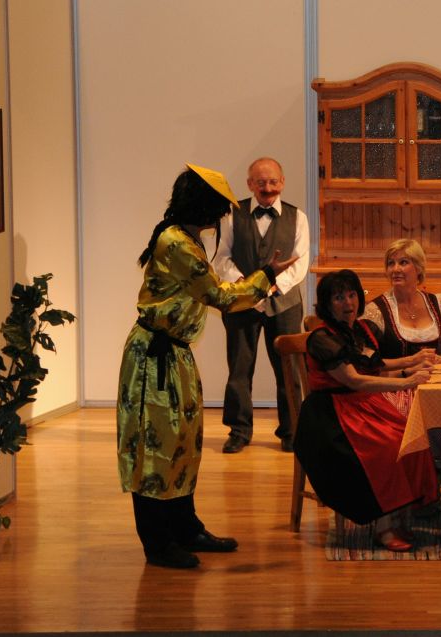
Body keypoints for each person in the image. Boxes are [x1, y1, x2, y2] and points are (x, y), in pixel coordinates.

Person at [116, 163, 299, 569]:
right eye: (217, 208)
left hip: (173, 354)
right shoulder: (176, 244)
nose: (221, 216)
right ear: (201, 206)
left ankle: (185, 528)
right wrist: (265, 275)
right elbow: (219, 296)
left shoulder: (185, 237)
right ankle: (158, 543)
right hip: (154, 359)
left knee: (182, 442)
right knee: (155, 448)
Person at [293, 270, 440, 552]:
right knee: (387, 445)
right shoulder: (322, 338)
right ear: (327, 303)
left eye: (351, 295)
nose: (348, 303)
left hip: (361, 405)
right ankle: (384, 528)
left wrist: (413, 360)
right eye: (339, 298)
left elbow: (376, 364)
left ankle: (398, 515)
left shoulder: (359, 329)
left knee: (409, 434)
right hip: (331, 416)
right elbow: (354, 379)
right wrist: (407, 381)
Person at [212, 157, 311, 454]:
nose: (267, 188)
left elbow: (300, 262)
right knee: (239, 369)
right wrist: (245, 286)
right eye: (261, 182)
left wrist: (270, 287)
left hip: (285, 303)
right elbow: (221, 258)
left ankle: (292, 431)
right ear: (249, 184)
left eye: (273, 182)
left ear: (282, 182)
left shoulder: (298, 217)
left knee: (289, 370)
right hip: (242, 303)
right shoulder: (232, 214)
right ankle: (239, 431)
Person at [358, 239, 441, 456]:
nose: (395, 269)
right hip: (394, 389)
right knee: (416, 410)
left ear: (419, 268)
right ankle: (420, 466)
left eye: (403, 262)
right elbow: (370, 367)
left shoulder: (438, 304)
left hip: (432, 386)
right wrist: (408, 370)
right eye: (391, 263)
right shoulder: (375, 311)